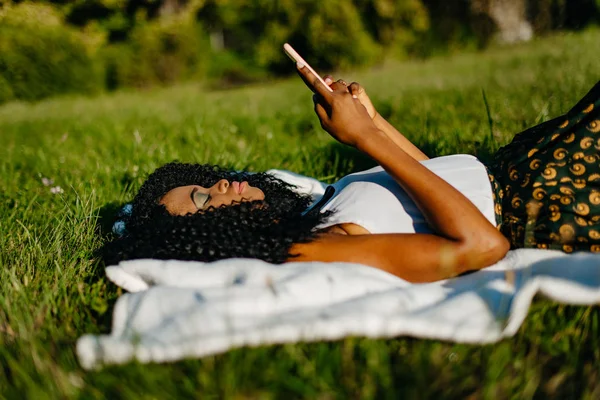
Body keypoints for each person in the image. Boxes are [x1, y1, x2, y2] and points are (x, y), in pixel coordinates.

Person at [102, 64, 600, 283]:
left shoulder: (310, 209)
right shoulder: (307, 249)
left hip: (525, 160)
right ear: (211, 236)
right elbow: (481, 246)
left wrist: (373, 120)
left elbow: (433, 181)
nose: (221, 185)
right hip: (544, 197)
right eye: (206, 200)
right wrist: (366, 140)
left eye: (206, 182)